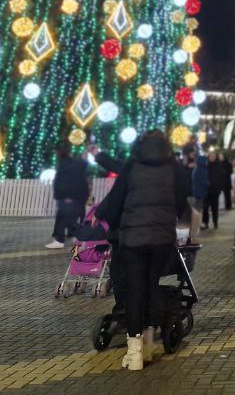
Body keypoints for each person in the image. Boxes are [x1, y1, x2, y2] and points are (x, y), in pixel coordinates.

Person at [95, 130, 189, 372]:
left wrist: (110, 220)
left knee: (135, 291)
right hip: (161, 239)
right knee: (153, 286)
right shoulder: (174, 167)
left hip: (133, 240)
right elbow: (181, 202)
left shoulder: (132, 165)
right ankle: (149, 343)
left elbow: (116, 200)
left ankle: (134, 352)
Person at [46, 144, 90, 249]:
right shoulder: (73, 163)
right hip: (73, 196)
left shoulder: (67, 164)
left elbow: (68, 181)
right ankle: (67, 238)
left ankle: (64, 239)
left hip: (69, 197)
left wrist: (67, 196)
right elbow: (83, 165)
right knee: (66, 218)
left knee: (66, 219)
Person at [189, 152, 209, 240]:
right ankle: (198, 225)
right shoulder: (202, 170)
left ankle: (196, 225)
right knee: (199, 210)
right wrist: (208, 184)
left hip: (195, 192)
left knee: (196, 209)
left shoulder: (195, 170)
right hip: (201, 193)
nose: (207, 162)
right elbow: (204, 182)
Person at [203, 151, 225, 230]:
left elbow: (222, 177)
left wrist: (220, 187)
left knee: (214, 208)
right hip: (206, 190)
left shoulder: (219, 166)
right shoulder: (205, 166)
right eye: (211, 156)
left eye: (214, 156)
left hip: (215, 190)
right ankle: (205, 223)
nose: (212, 158)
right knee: (205, 207)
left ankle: (215, 222)